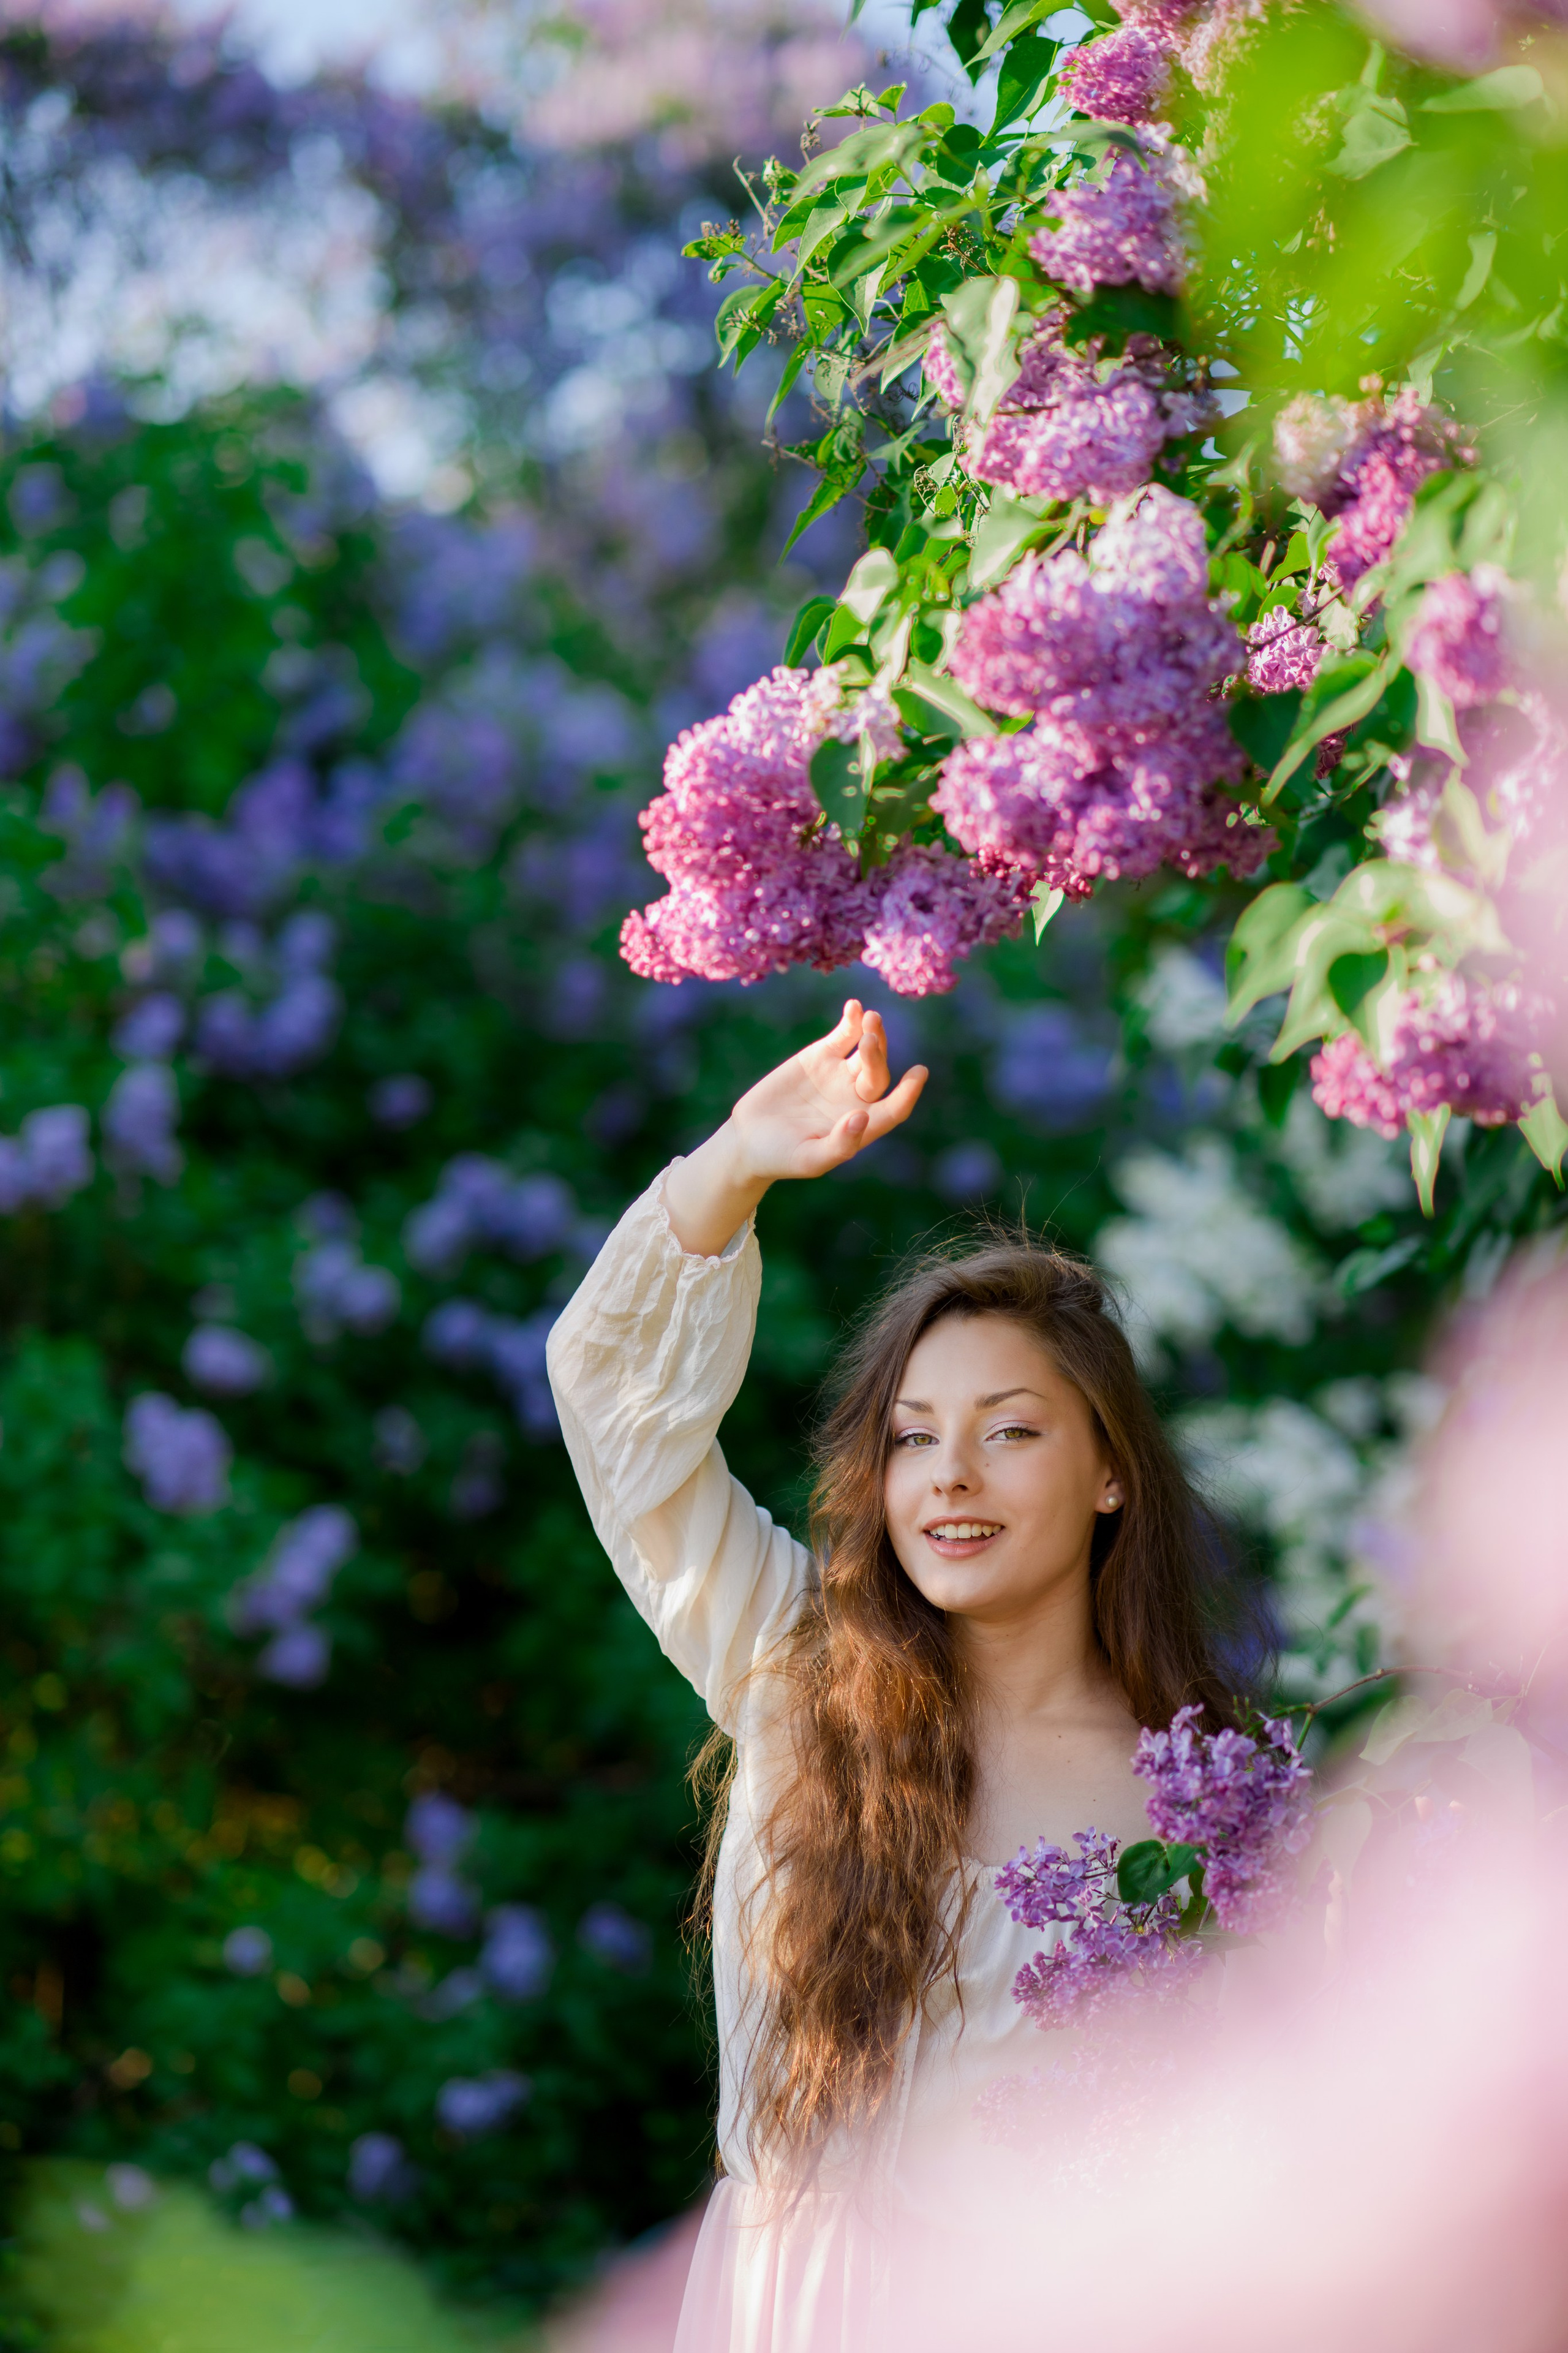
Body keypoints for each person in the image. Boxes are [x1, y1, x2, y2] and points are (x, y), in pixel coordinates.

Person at [546, 999, 1239, 2353]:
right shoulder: (796, 1664)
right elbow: (610, 1395)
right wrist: (733, 1164)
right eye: (914, 1438)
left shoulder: (1198, 1786)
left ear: (1108, 1474)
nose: (950, 1479)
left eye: (1009, 1431)